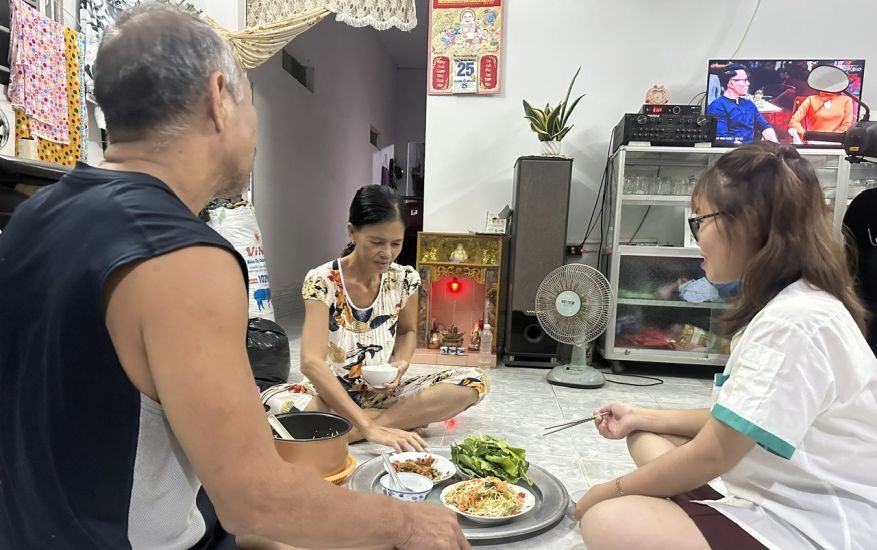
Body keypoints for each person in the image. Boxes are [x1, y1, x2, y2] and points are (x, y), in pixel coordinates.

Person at [0, 5, 469, 550]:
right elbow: (255, 499)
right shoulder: (185, 257)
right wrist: (405, 522)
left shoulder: (31, 215)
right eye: (250, 98)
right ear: (219, 98)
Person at [575, 142, 877, 549]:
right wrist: (639, 414)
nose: (696, 236)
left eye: (701, 220)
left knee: (609, 519)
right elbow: (735, 418)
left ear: (747, 223)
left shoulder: (794, 322)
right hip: (772, 489)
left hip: (816, 524)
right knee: (644, 435)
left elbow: (715, 452)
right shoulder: (794, 304)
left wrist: (608, 491)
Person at [261, 185, 488, 451]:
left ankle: (345, 430)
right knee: (272, 402)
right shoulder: (323, 280)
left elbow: (407, 332)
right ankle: (388, 422)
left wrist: (401, 363)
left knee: (474, 380)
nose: (387, 253)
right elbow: (311, 362)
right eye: (377, 242)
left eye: (396, 243)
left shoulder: (405, 279)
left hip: (383, 394)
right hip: (328, 395)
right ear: (352, 232)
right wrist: (370, 429)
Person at [707, 63, 779, 145]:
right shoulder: (717, 106)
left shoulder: (749, 104)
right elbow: (723, 138)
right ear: (731, 84)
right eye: (744, 80)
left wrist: (774, 144)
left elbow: (764, 126)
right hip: (732, 151)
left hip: (749, 149)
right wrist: (746, 150)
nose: (748, 83)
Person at [788, 91, 854, 143]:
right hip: (813, 143)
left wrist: (834, 138)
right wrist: (806, 135)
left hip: (836, 143)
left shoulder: (846, 100)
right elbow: (793, 122)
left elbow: (847, 124)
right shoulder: (811, 99)